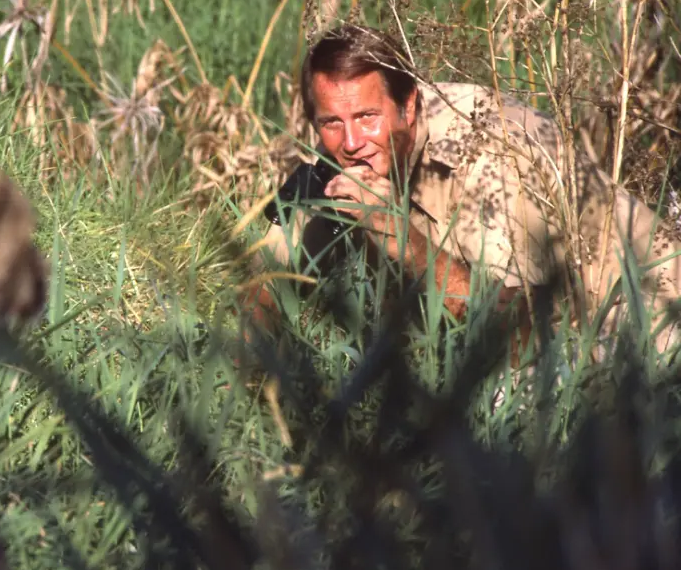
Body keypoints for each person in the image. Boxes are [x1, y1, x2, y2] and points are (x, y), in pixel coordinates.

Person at [241, 22, 681, 364]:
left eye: (367, 116)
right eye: (331, 123)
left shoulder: (489, 151)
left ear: (408, 106)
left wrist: (401, 240)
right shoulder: (345, 152)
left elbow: (516, 335)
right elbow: (269, 281)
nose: (351, 141)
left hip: (640, 313)